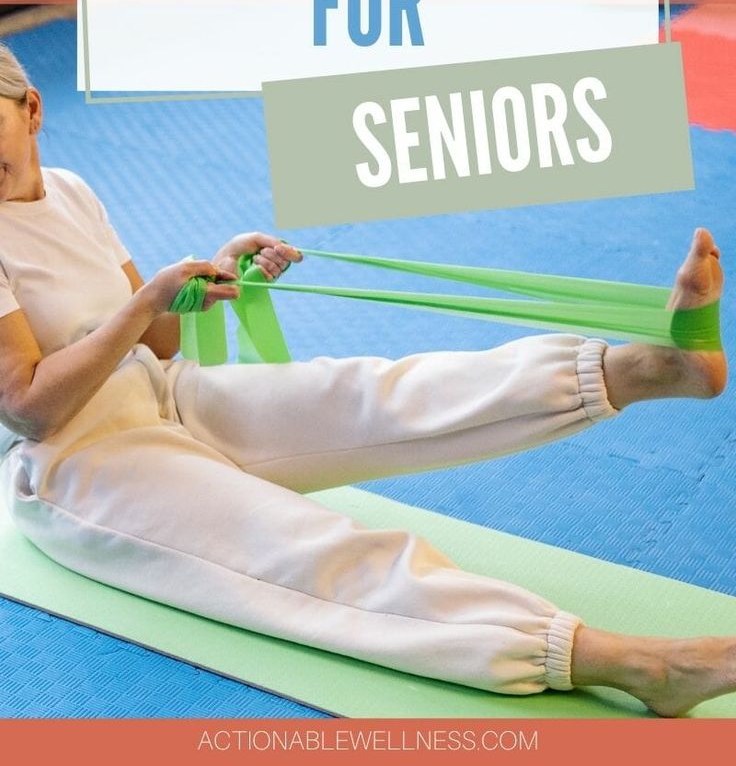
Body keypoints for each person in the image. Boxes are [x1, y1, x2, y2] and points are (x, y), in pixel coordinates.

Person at [0, 41, 732, 718]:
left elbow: (155, 340)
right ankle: (628, 662)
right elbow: (30, 407)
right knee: (302, 544)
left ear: (32, 110)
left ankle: (637, 369)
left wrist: (211, 278)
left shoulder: (69, 189)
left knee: (372, 391)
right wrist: (148, 298)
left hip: (158, 393)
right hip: (78, 461)